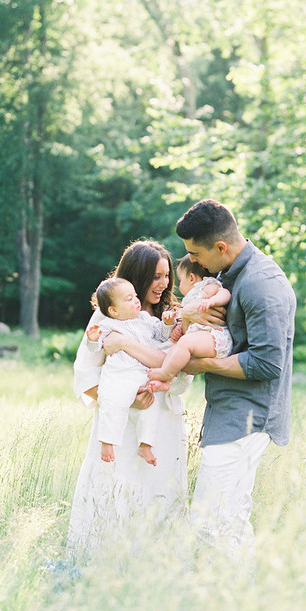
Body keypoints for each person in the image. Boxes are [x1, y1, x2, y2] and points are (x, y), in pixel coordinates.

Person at [175, 199, 296, 559]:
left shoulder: (261, 283)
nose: (194, 263)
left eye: (196, 254)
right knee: (228, 517)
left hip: (247, 419)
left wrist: (203, 364)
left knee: (212, 522)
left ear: (221, 247)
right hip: (228, 413)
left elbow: (267, 363)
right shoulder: (228, 275)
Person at [66, 240, 192, 563]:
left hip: (162, 420)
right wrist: (126, 401)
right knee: (117, 490)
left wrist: (125, 345)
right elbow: (85, 376)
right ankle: (105, 566)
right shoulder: (105, 320)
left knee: (159, 493)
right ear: (136, 276)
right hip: (119, 426)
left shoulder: (172, 320)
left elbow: (182, 374)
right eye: (155, 277)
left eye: (166, 276)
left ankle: (158, 568)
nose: (163, 284)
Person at [85, 277, 175, 466]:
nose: (136, 300)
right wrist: (92, 339)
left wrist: (167, 324)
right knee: (112, 403)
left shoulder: (145, 319)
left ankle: (145, 444)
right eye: (129, 299)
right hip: (119, 374)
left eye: (135, 296)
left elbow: (161, 335)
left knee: (151, 406)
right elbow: (97, 349)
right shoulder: (108, 324)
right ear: (114, 310)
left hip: (142, 373)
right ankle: (107, 441)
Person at [146, 254, 232, 392]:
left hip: (215, 337)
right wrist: (178, 328)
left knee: (184, 345)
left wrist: (212, 301)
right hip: (201, 339)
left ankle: (166, 373)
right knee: (174, 351)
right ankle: (167, 382)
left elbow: (225, 293)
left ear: (191, 278)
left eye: (180, 280)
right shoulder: (188, 301)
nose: (178, 285)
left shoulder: (206, 287)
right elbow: (186, 322)